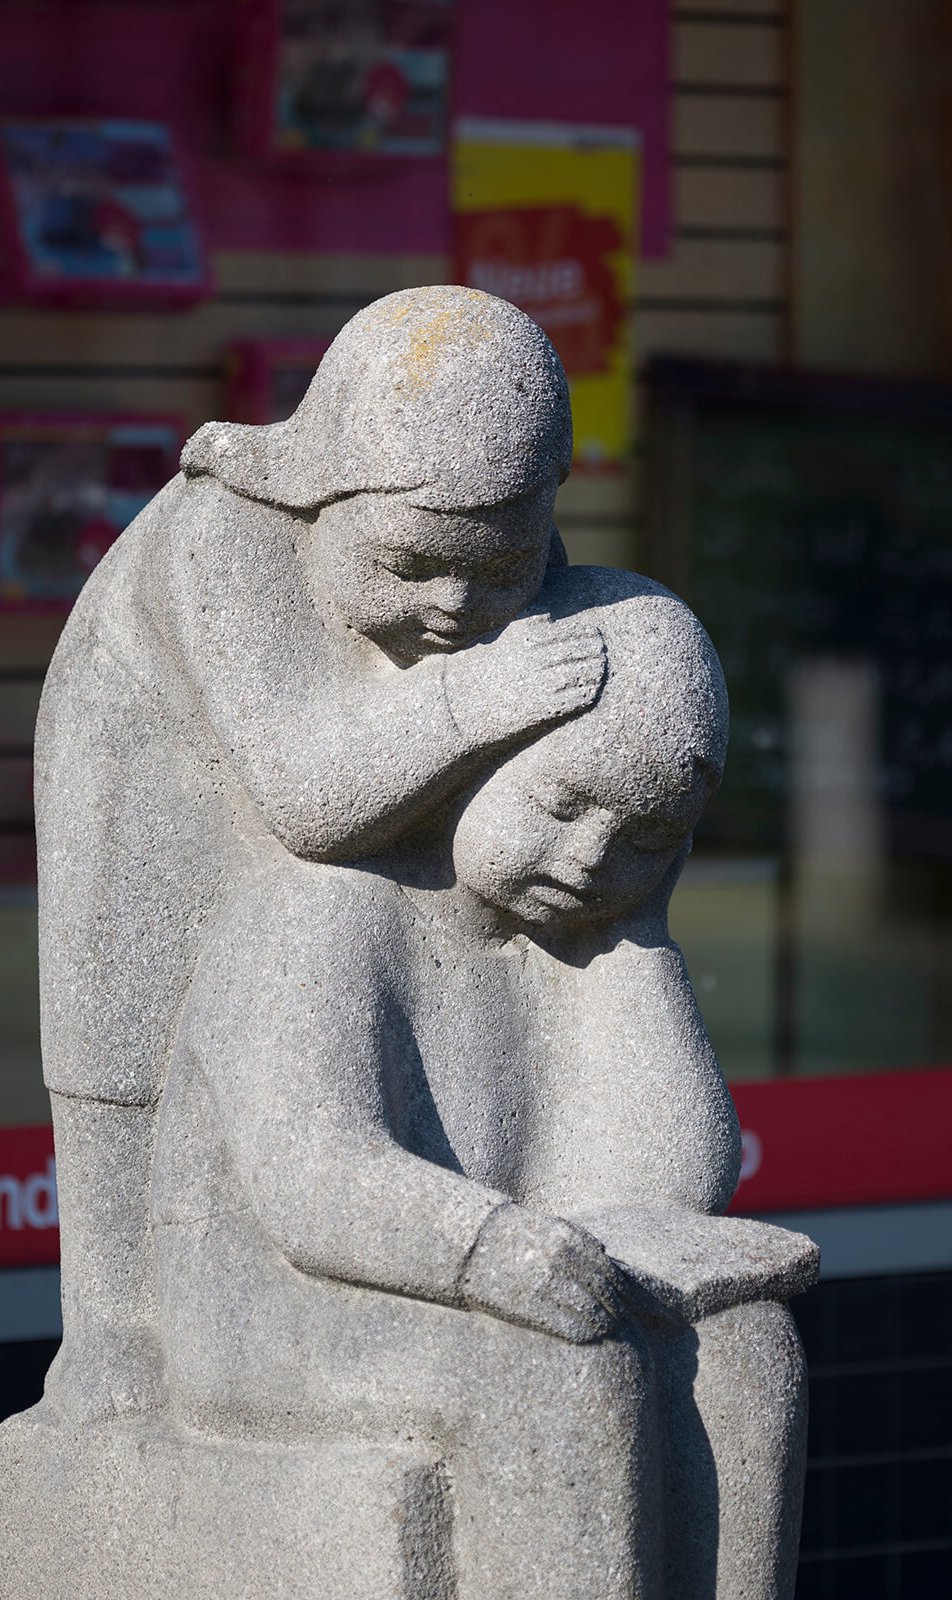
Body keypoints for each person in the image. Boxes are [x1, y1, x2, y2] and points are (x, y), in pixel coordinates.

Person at [150, 567, 808, 1600]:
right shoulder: (321, 917)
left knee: (747, 1345)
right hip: (283, 1313)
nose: (592, 857)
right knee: (559, 1371)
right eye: (564, 802)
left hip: (484, 1287)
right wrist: (493, 1247)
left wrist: (640, 938)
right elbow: (313, 1178)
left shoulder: (580, 948)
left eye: (644, 840)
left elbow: (672, 1177)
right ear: (472, 760)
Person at [35, 287, 606, 1421]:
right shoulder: (224, 537)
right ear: (328, 491)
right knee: (125, 1028)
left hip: (369, 818)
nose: (456, 602)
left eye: (499, 571)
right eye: (409, 566)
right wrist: (479, 696)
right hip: (151, 782)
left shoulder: (479, 552)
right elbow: (307, 796)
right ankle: (111, 1332)